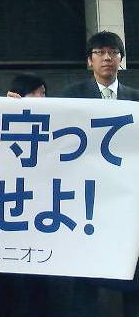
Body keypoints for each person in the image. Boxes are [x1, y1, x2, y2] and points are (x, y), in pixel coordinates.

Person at [62, 31, 139, 317]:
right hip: (85, 199)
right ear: (89, 60)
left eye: (113, 52)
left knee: (133, 273)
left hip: (126, 199)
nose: (107, 58)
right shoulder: (71, 96)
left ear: (121, 59)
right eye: (100, 52)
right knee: (85, 275)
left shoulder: (136, 99)